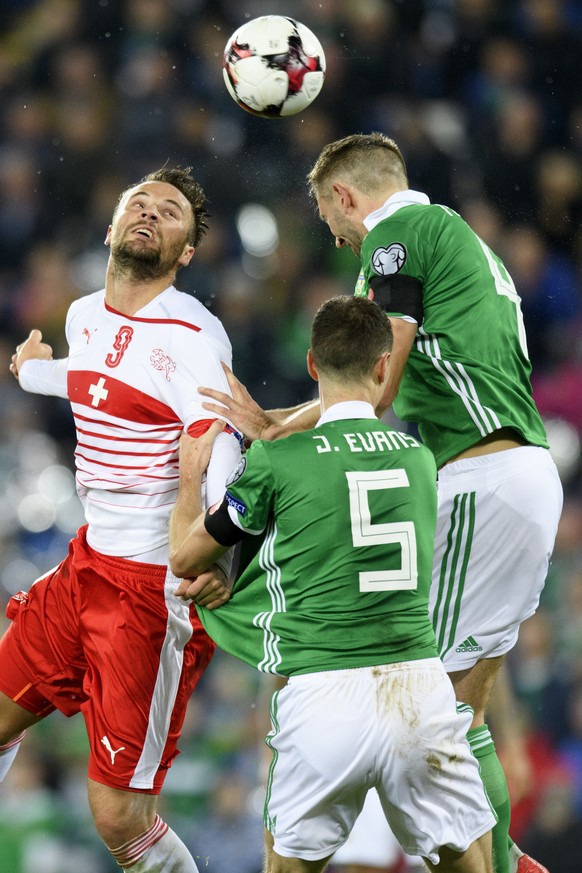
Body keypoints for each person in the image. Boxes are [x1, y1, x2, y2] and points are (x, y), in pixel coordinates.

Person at [197, 133, 563, 873]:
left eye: (329, 218)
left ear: (343, 197)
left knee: (425, 692)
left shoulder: (395, 234)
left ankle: (487, 859)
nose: (335, 237)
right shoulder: (453, 238)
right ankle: (507, 857)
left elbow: (376, 382)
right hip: (520, 471)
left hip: (480, 474)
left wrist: (274, 429)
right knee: (464, 703)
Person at [169, 295, 496, 873]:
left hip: (322, 695)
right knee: (466, 862)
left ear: (313, 366)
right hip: (417, 687)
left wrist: (191, 477)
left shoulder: (281, 460)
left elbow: (186, 557)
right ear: (381, 367)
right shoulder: (421, 459)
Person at [0, 167, 242, 873]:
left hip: (149, 592)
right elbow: (100, 377)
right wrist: (33, 375)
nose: (150, 214)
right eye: (139, 202)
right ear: (111, 226)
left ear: (186, 253)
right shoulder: (84, 314)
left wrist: (215, 552)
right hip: (85, 565)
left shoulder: (196, 334)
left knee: (118, 818)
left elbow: (220, 442)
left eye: (170, 214)